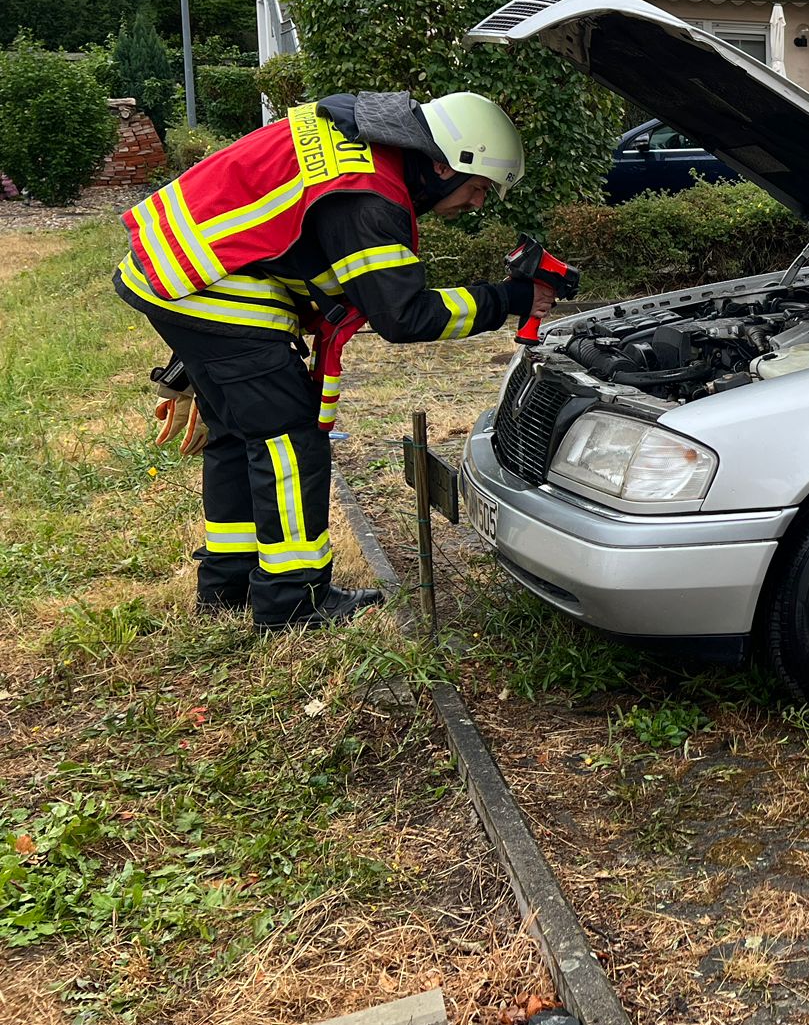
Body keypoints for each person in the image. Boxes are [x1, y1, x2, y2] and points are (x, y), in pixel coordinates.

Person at [117, 91, 555, 631]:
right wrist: (510, 299)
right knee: (288, 439)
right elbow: (403, 316)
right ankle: (293, 601)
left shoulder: (360, 147)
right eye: (479, 187)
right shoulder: (369, 197)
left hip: (176, 271)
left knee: (236, 433)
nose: (477, 203)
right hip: (211, 291)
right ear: (444, 164)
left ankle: (226, 586)